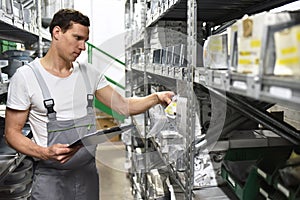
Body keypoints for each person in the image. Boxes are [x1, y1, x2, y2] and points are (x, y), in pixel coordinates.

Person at [4, 8, 174, 200]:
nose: (83, 47)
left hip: (87, 175)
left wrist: (157, 97)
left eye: (85, 41)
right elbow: (12, 133)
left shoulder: (88, 74)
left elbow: (123, 106)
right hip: (51, 179)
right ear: (57, 32)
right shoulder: (26, 77)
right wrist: (44, 152)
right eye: (77, 38)